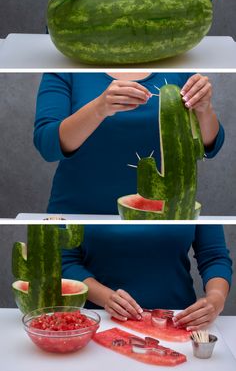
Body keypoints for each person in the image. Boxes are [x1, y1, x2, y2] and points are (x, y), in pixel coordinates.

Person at [34, 71, 224, 214]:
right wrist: (99, 108)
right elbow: (47, 145)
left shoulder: (179, 67)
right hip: (76, 213)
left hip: (162, 214)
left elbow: (208, 148)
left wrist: (204, 109)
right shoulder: (65, 70)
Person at [62, 224, 232, 331]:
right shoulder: (78, 204)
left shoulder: (188, 201)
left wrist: (216, 297)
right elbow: (65, 261)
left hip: (181, 322)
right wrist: (106, 298)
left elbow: (214, 257)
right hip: (99, 321)